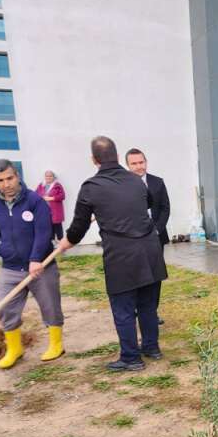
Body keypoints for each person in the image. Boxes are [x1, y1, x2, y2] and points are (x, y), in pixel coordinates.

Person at [57, 136, 167, 370]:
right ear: (118, 158)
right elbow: (146, 203)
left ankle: (131, 358)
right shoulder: (137, 181)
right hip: (150, 249)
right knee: (147, 304)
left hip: (122, 254)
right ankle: (151, 347)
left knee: (124, 307)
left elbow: (79, 225)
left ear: (94, 160)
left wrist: (68, 241)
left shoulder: (91, 187)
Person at [0, 159, 64, 369]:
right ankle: (15, 348)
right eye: (0, 180)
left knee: (50, 306)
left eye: (9, 178)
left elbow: (44, 232)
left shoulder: (35, 201)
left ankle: (56, 344)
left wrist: (36, 259)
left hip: (41, 267)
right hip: (10, 267)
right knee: (6, 309)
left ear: (17, 175)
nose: (6, 184)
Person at [125, 148, 171, 250]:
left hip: (156, 235)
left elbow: (165, 208)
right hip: (133, 237)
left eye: (141, 162)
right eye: (134, 164)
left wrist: (158, 229)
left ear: (146, 162)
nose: (139, 167)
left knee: (157, 265)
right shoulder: (122, 185)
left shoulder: (158, 182)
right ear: (128, 166)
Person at [35, 170, 66, 241]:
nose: (48, 177)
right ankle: (51, 243)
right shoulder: (41, 185)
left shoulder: (57, 185)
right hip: (45, 210)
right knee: (49, 226)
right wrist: (41, 198)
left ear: (53, 177)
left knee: (58, 226)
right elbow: (35, 194)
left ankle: (61, 242)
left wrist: (51, 198)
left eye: (50, 176)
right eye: (47, 176)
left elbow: (62, 196)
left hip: (55, 210)